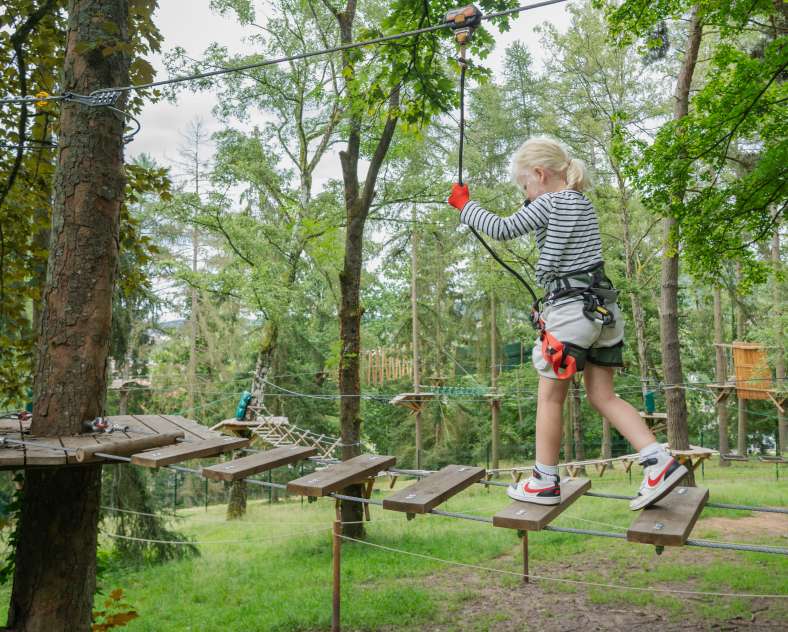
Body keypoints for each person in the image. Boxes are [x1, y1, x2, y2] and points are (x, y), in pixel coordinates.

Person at [447, 136, 686, 510]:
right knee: (603, 396)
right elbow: (555, 234)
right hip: (604, 310)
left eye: (525, 185)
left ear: (540, 174)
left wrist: (465, 206)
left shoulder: (550, 202)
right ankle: (658, 461)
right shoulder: (580, 202)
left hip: (572, 310)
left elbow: (502, 229)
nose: (526, 195)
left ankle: (544, 481)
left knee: (550, 396)